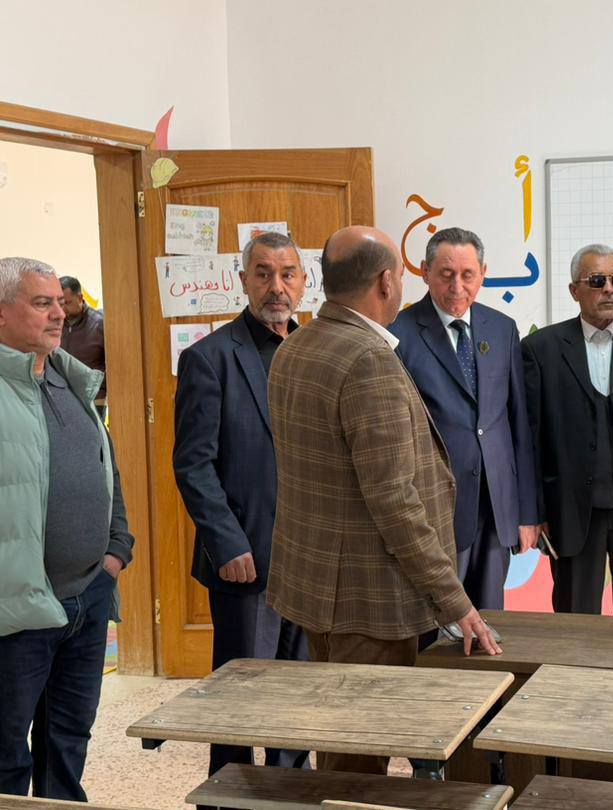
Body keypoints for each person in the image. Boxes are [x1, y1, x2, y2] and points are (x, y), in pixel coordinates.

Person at [266, 225, 500, 776]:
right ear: (386, 282)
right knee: (357, 754)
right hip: (370, 601)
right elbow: (396, 501)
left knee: (340, 735)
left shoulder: (295, 345)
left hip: (317, 587)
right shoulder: (368, 359)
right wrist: (456, 602)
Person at [173, 232, 310, 781]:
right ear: (243, 280)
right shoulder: (209, 358)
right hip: (247, 559)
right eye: (263, 273)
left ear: (304, 281)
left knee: (299, 693)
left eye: (287, 274)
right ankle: (227, 794)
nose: (277, 287)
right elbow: (193, 465)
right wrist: (227, 543)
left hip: (311, 561)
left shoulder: (314, 351)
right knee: (239, 698)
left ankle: (291, 789)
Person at [0, 257, 134, 800]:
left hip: (88, 595)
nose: (59, 313)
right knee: (6, 752)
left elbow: (106, 466)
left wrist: (117, 547)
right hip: (16, 608)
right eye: (42, 303)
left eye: (59, 302)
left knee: (69, 739)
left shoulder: (69, 375)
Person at [389, 227, 538, 610]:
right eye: (446, 274)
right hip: (435, 510)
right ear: (425, 272)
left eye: (468, 274)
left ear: (483, 274)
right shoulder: (398, 334)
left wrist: (526, 513)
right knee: (438, 624)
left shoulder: (502, 329)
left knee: (491, 624)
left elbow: (517, 426)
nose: (457, 286)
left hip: (496, 509)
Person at [521, 244, 613, 615]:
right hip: (568, 512)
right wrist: (535, 511)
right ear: (574, 290)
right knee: (574, 621)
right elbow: (530, 440)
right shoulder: (540, 349)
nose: (609, 289)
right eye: (597, 281)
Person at [58, 276, 106, 415]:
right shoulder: (56, 324)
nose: (62, 309)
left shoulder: (100, 323)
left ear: (80, 298)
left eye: (67, 303)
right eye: (60, 303)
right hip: (62, 396)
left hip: (93, 400)